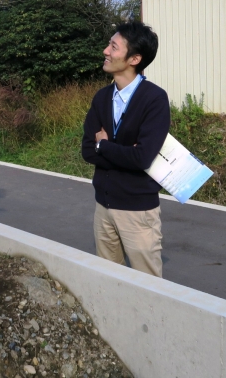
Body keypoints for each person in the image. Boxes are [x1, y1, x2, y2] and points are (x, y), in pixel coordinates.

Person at [81, 22, 170, 277]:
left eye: (113, 46)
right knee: (109, 279)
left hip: (138, 211)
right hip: (103, 206)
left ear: (134, 59)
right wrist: (122, 152)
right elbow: (87, 151)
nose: (105, 51)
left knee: (147, 284)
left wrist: (104, 145)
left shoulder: (154, 99)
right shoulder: (101, 97)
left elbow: (142, 157)